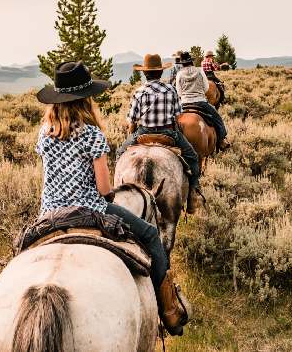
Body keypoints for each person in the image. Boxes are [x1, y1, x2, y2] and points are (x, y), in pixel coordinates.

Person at [36, 60, 188, 335]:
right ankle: (168, 311)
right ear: (86, 100)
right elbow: (105, 189)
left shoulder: (44, 134)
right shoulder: (92, 134)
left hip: (49, 213)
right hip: (90, 209)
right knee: (152, 235)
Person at [116, 53, 202, 212]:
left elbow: (132, 120)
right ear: (161, 72)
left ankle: (117, 197)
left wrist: (131, 135)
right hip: (168, 133)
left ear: (144, 73)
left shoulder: (139, 91)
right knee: (193, 158)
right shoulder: (170, 89)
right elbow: (178, 115)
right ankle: (192, 195)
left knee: (119, 153)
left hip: (143, 133)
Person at [176, 51, 229, 151]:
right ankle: (222, 140)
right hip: (200, 102)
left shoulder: (179, 74)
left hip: (184, 103)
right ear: (191, 61)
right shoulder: (200, 71)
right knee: (217, 119)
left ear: (182, 63)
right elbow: (206, 87)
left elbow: (179, 92)